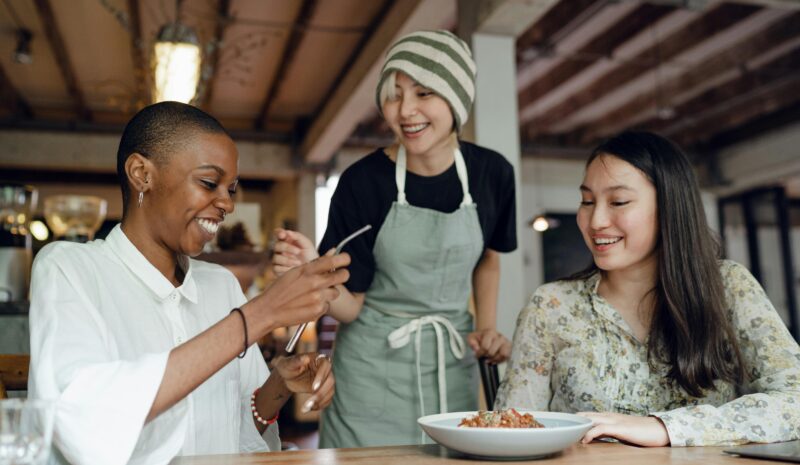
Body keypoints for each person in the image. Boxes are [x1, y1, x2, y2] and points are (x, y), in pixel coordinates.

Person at [28, 101, 351, 465]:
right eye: (209, 183)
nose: (227, 204)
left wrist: (278, 387)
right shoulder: (70, 270)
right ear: (141, 173)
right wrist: (258, 315)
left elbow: (241, 434)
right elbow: (82, 423)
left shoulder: (221, 286)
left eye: (231, 189)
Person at [272, 30, 517, 448]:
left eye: (423, 93)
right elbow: (348, 308)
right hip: (370, 374)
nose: (405, 111)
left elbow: (488, 257)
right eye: (394, 94)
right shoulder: (363, 183)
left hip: (449, 362)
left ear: (456, 99)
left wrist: (487, 328)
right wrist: (313, 274)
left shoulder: (492, 174)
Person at [495, 131, 800, 447]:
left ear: (671, 207)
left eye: (619, 202)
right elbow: (510, 430)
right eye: (587, 201)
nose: (595, 219)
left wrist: (664, 428)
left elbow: (796, 400)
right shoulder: (552, 305)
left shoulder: (728, 287)